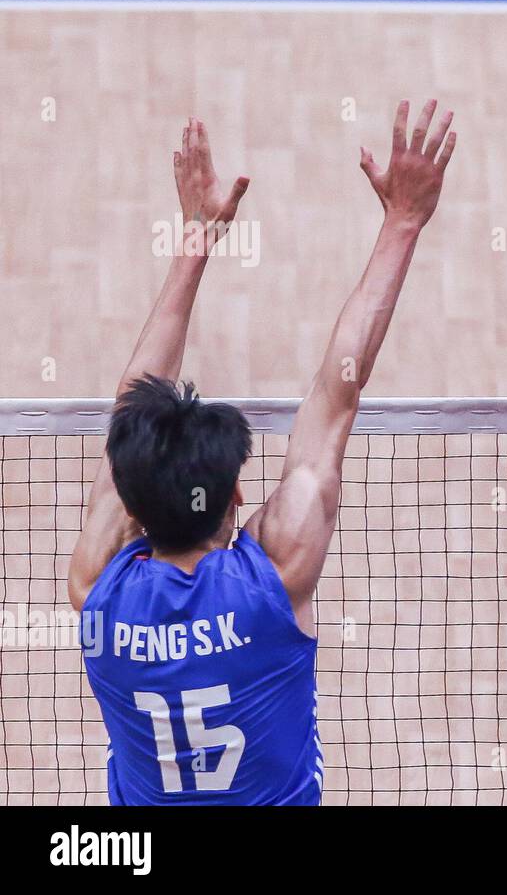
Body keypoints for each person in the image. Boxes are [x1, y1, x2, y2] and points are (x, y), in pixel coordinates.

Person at [69, 103, 456, 803]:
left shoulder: (98, 588)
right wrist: (404, 222)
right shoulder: (274, 575)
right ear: (236, 500)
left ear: (130, 500)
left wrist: (196, 237)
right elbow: (339, 392)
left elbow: (132, 410)